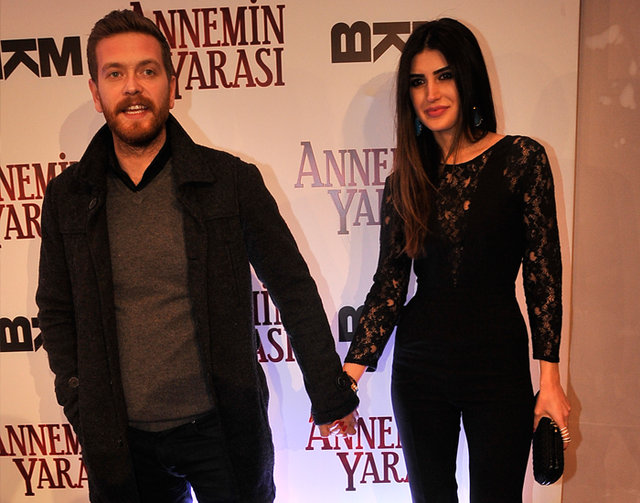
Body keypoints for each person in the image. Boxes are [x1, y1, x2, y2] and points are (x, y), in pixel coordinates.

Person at [36, 9, 357, 503]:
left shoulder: (230, 182)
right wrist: (81, 402)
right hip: (121, 442)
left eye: (147, 70)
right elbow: (56, 311)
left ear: (171, 83)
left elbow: (292, 288)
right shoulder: (68, 198)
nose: (132, 87)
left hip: (222, 431)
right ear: (96, 93)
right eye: (115, 74)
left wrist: (328, 390)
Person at [343, 18, 571, 503]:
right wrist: (348, 379)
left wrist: (549, 380)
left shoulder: (522, 159)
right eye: (418, 82)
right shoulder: (404, 181)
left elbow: (543, 275)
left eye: (444, 76)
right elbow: (389, 286)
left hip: (498, 367)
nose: (431, 93)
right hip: (419, 369)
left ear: (467, 78)